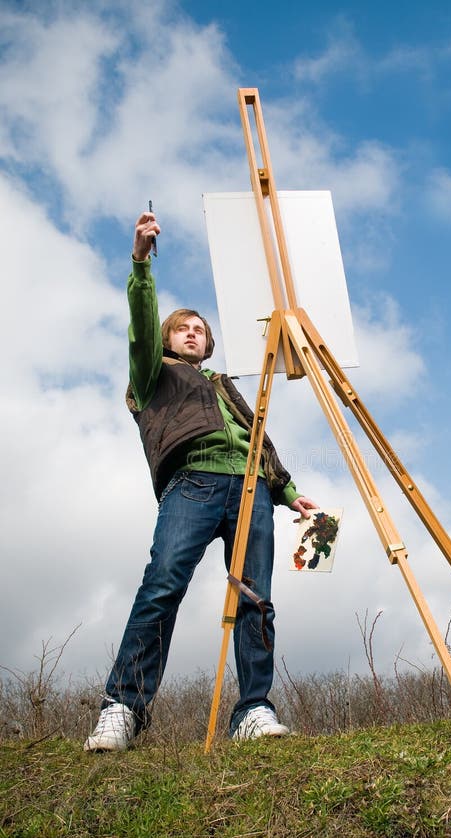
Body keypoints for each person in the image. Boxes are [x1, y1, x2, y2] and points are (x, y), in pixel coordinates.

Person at [84, 210, 317, 751]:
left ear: (209, 345)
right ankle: (123, 707)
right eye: (183, 329)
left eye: (200, 330)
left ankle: (254, 709)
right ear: (169, 340)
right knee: (163, 584)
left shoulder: (225, 384)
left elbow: (258, 437)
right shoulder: (153, 374)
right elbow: (142, 329)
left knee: (256, 598)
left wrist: (285, 491)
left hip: (253, 491)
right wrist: (141, 263)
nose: (193, 333)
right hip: (193, 484)